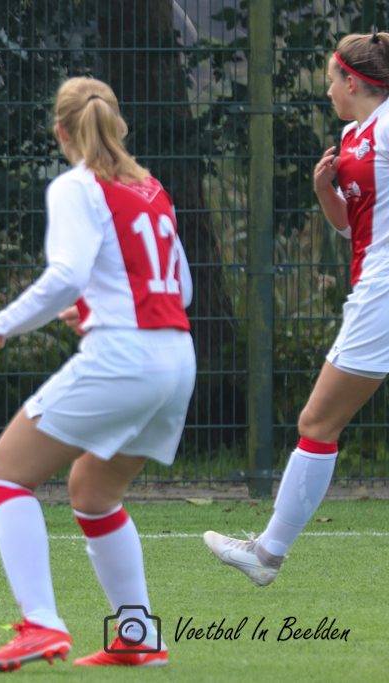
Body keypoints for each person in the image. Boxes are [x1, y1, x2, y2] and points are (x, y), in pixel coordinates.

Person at [0, 77, 196, 672]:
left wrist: (3, 323)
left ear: (60, 133)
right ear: (119, 125)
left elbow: (67, 274)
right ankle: (138, 636)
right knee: (94, 492)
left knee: (6, 476)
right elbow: (180, 288)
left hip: (126, 358)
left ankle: (41, 625)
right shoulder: (151, 188)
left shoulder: (76, 186)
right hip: (177, 359)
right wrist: (96, 303)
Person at [204, 31, 389, 586]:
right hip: (373, 288)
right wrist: (324, 189)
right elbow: (349, 225)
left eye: (332, 80)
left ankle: (266, 555)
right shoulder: (353, 136)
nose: (327, 89)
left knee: (317, 422)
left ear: (353, 81)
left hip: (381, 294)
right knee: (319, 423)